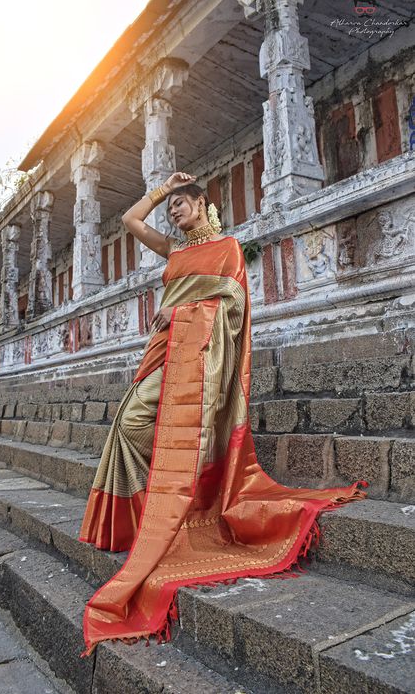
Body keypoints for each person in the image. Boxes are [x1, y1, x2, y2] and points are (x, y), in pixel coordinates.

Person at [78, 172, 367, 657]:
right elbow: (130, 220)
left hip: (202, 357)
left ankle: (181, 507)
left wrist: (183, 313)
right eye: (170, 209)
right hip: (164, 353)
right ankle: (156, 513)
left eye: (181, 205)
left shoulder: (228, 249)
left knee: (148, 428)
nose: (174, 213)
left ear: (203, 206)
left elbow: (233, 311)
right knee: (129, 423)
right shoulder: (173, 251)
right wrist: (160, 188)